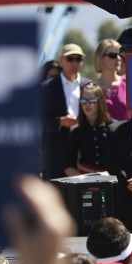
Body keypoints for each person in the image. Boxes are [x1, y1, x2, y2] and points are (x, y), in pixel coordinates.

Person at [40, 43, 87, 180]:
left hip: (82, 154)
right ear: (61, 60)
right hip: (55, 153)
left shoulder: (89, 86)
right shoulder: (47, 88)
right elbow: (38, 121)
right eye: (70, 58)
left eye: (78, 59)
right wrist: (59, 122)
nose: (74, 62)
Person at [64, 83, 113, 177]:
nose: (87, 104)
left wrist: (107, 175)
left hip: (109, 181)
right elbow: (68, 166)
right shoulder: (77, 132)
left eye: (92, 100)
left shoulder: (113, 129)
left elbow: (121, 162)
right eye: (83, 100)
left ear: (100, 102)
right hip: (83, 182)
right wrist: (83, 180)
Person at [93, 39, 130, 122]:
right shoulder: (90, 88)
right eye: (113, 55)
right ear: (101, 57)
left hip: (125, 134)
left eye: (120, 55)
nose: (118, 58)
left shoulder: (130, 85)